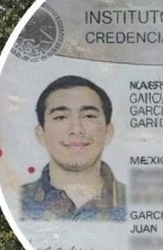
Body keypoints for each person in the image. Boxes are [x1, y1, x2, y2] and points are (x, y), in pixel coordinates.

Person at [20, 75, 125, 221]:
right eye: (61, 117)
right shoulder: (15, 200)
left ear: (108, 132)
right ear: (40, 133)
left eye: (89, 116)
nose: (76, 129)